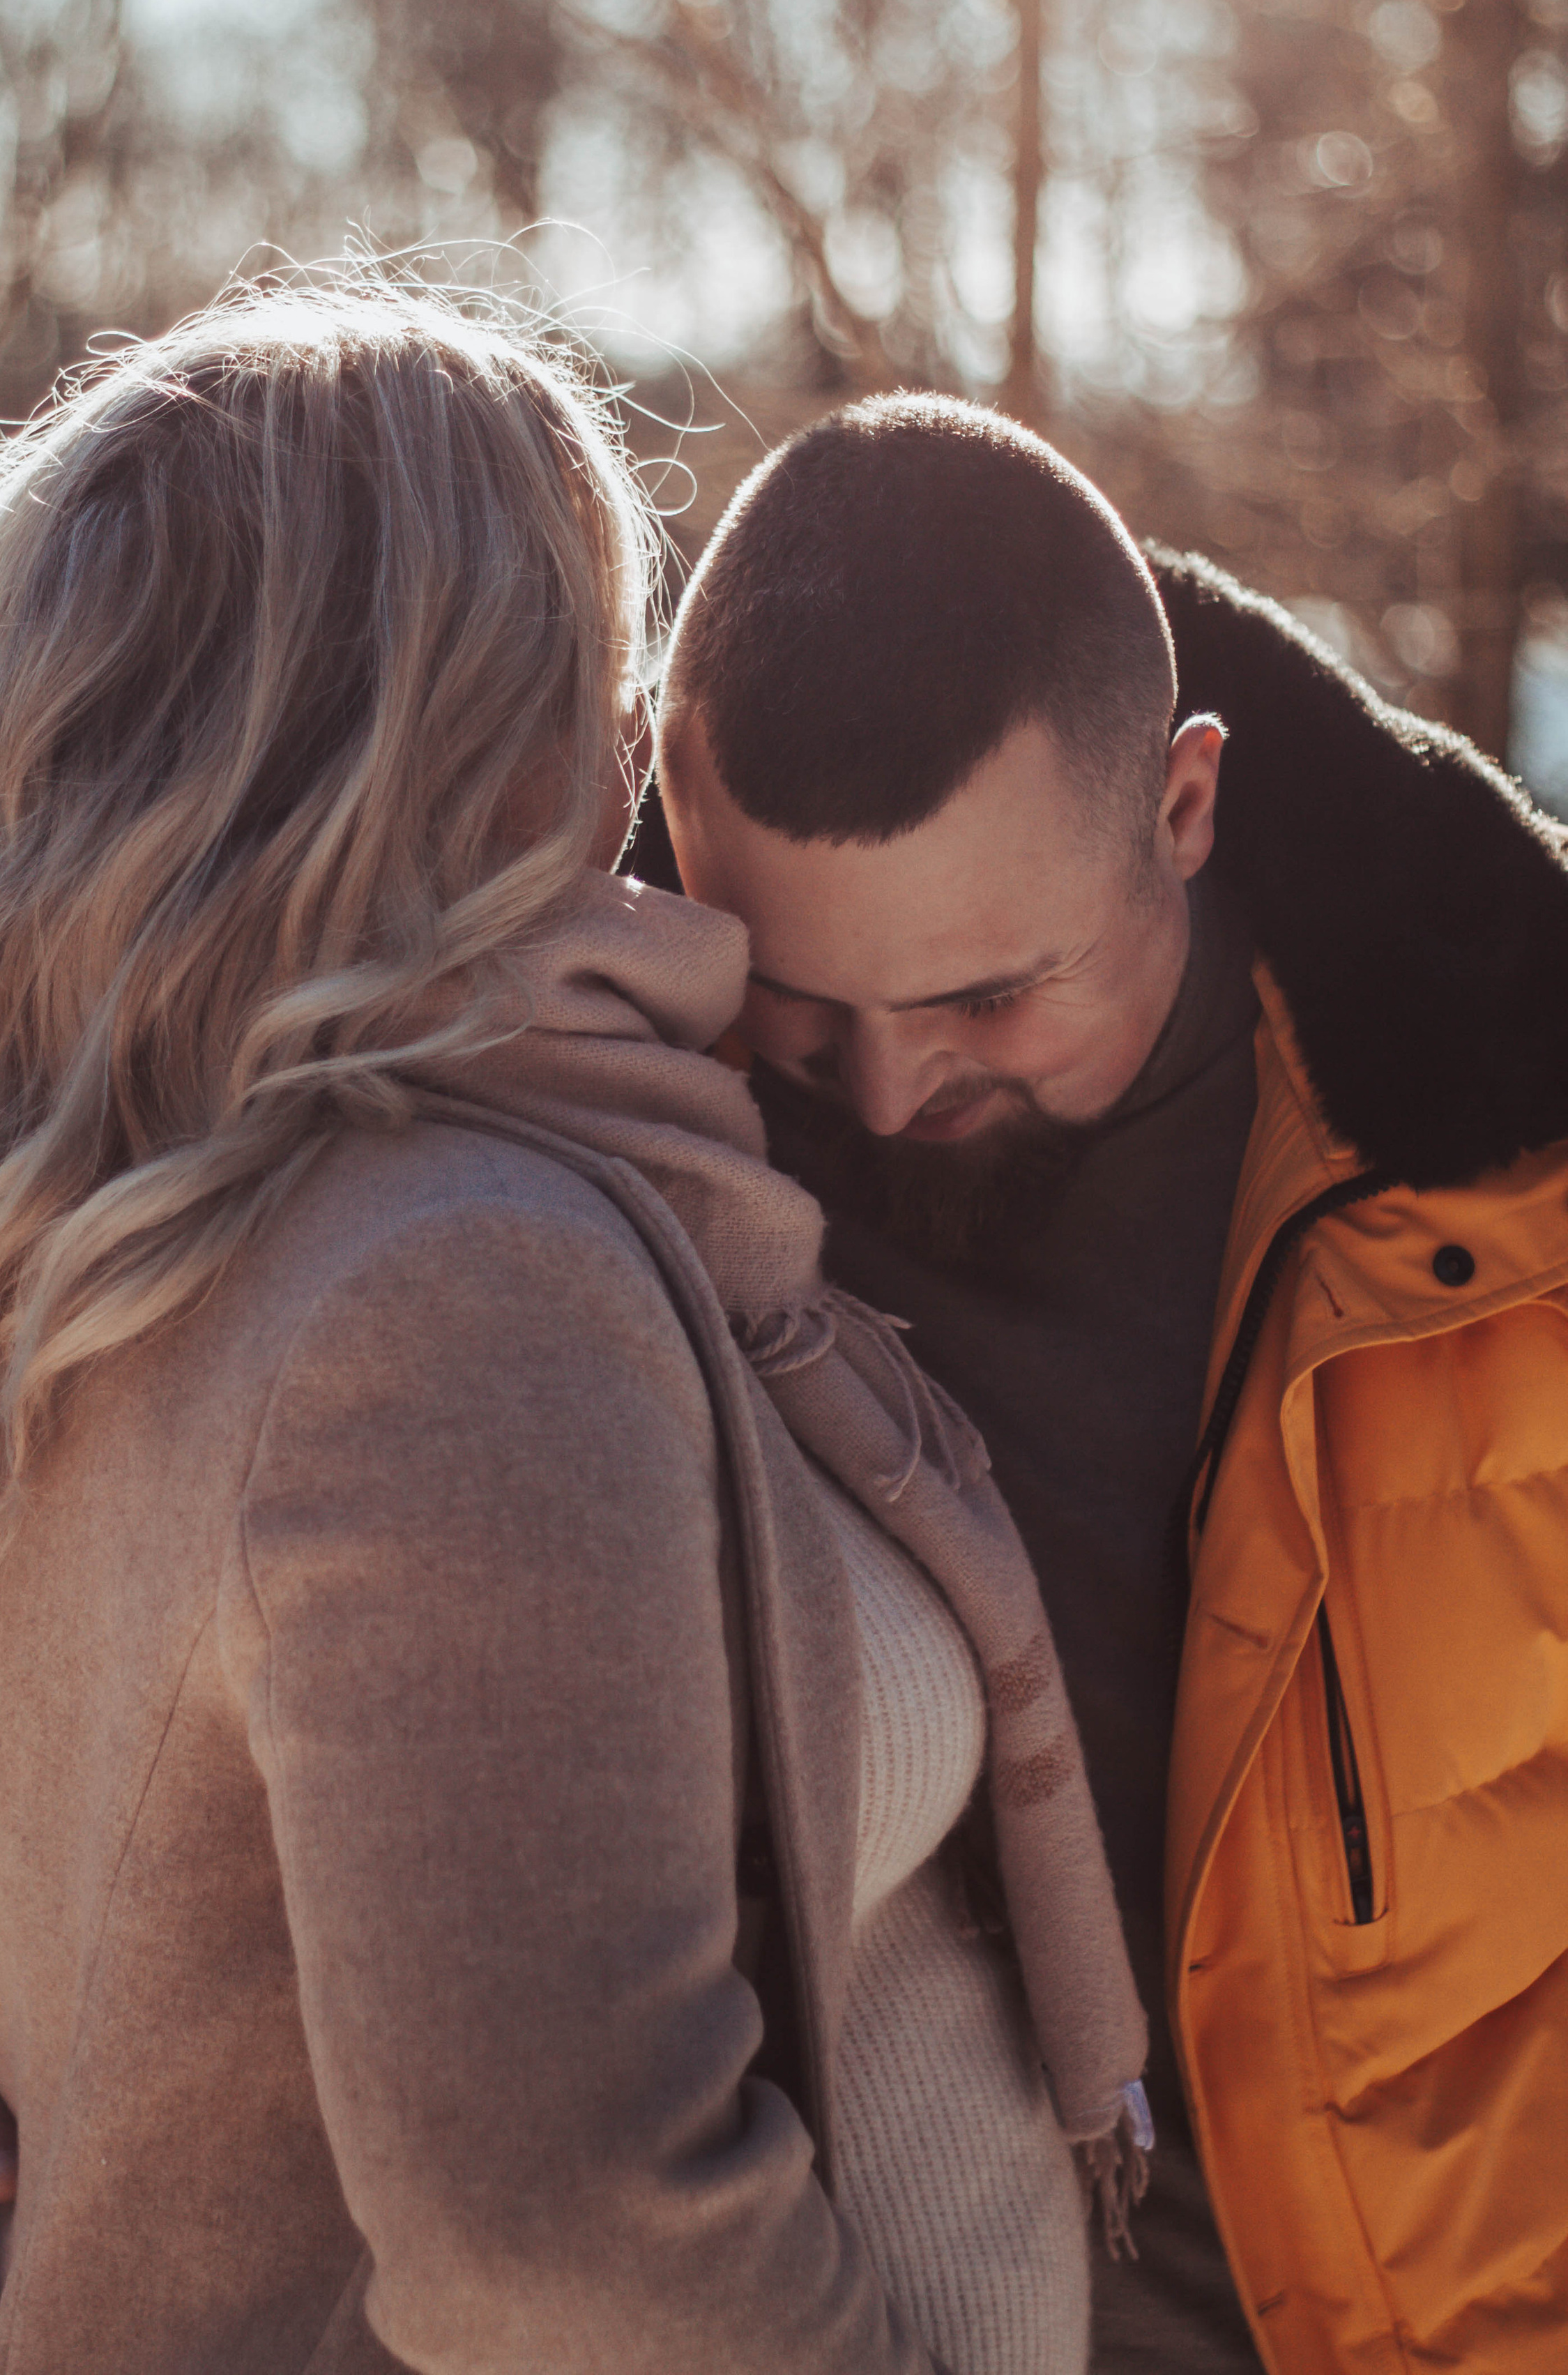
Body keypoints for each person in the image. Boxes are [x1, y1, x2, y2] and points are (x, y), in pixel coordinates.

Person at [0, 287, 1148, 2375]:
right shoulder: (453, 1282)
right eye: (599, 662)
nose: (636, 755)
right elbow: (573, 2239)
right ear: (458, 729)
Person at [644, 393, 1568, 2374]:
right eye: (796, 995)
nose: (885, 1091)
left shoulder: (1525, 1152)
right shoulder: (574, 1083)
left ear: (1182, 807)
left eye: (988, 997)